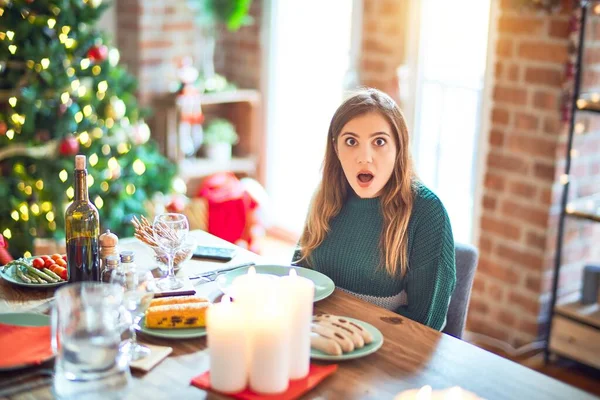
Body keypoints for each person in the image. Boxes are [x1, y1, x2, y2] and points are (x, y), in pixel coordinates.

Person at [292, 88, 456, 330]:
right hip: (317, 341)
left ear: (399, 148)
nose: (364, 157)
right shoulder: (325, 196)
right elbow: (297, 279)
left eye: (379, 142)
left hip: (385, 355)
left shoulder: (427, 213)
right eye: (351, 142)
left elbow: (426, 326)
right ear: (336, 149)